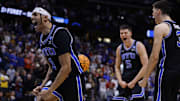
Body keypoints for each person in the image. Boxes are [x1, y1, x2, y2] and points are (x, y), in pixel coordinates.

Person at [31, 7, 84, 101]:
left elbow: (66, 68)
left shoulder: (60, 33)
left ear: (45, 18)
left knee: (45, 95)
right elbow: (51, 67)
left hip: (71, 78)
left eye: (35, 14)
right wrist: (42, 85)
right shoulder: (42, 39)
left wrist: (49, 90)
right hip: (57, 77)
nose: (32, 17)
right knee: (40, 98)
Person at [139, 0, 180, 101]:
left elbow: (154, 57)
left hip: (166, 72)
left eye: (153, 12)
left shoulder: (160, 27)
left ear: (158, 12)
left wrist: (145, 79)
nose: (152, 16)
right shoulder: (178, 28)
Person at [112, 24, 148, 101]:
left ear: (130, 33)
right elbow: (117, 67)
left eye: (125, 33)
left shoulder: (138, 45)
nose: (123, 35)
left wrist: (134, 81)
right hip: (125, 79)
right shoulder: (119, 48)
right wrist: (120, 81)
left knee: (136, 98)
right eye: (121, 33)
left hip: (137, 80)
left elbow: (146, 65)